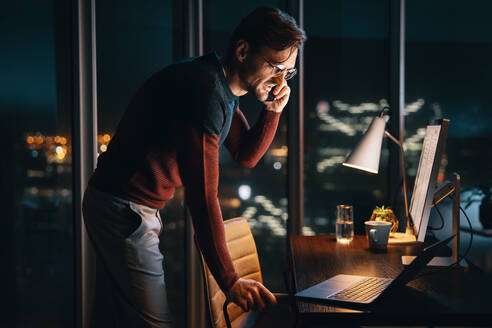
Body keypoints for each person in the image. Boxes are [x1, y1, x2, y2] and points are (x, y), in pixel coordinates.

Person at [82, 6, 306, 328]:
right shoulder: (204, 92)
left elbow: (245, 154)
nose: (280, 79)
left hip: (130, 205)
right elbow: (202, 198)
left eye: (288, 71)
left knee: (116, 315)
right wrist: (230, 281)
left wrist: (272, 111)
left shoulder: (221, 87)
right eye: (275, 66)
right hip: (123, 209)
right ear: (243, 51)